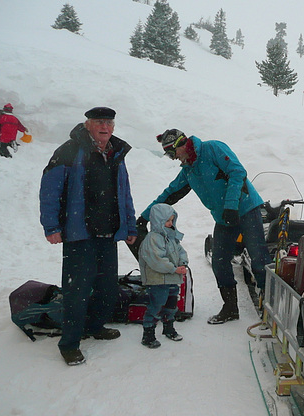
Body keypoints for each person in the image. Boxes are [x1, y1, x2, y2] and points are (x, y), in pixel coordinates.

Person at [136, 129, 270, 325]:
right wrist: (145, 217)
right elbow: (170, 193)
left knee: (258, 259)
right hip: (224, 218)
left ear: (182, 144)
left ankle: (269, 306)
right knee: (219, 262)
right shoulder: (188, 170)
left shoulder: (212, 148)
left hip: (246, 208)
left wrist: (231, 205)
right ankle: (231, 308)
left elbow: (237, 172)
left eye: (172, 153)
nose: (173, 159)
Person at [39, 106, 137, 366]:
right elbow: (50, 189)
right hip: (79, 234)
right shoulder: (69, 150)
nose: (104, 127)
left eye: (109, 123)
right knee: (76, 291)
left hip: (107, 233)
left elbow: (124, 191)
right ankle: (69, 343)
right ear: (88, 125)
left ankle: (94, 326)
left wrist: (129, 226)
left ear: (113, 127)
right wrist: (51, 227)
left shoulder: (116, 153)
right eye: (99, 122)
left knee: (107, 288)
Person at [138, 203, 188, 348]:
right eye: (167, 220)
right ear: (158, 221)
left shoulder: (171, 237)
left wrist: (183, 263)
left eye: (172, 220)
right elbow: (157, 260)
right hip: (158, 280)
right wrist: (174, 269)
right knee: (156, 304)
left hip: (172, 278)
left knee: (172, 303)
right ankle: (148, 333)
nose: (170, 223)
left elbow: (180, 251)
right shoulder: (152, 238)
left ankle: (169, 327)